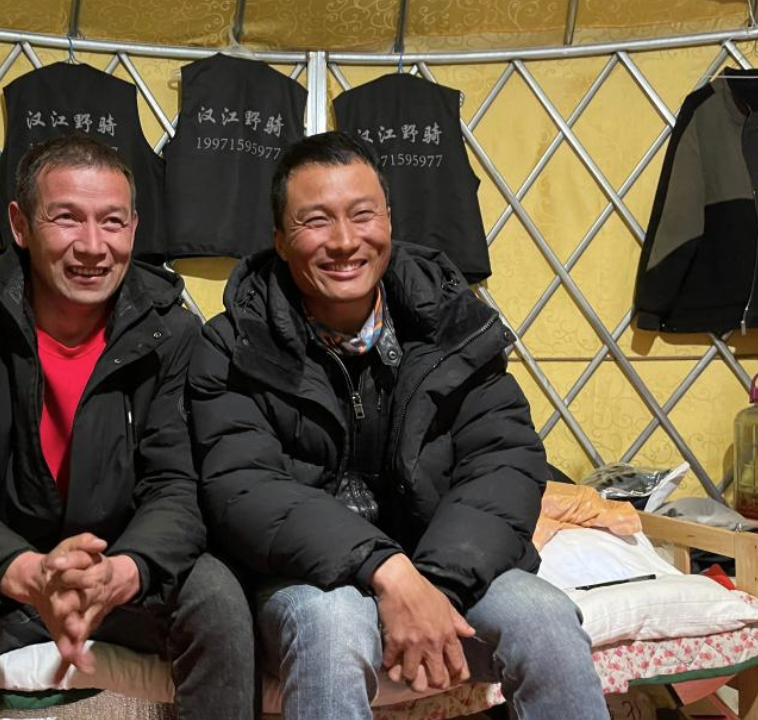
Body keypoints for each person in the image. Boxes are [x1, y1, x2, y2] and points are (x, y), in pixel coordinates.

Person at [187, 131, 608, 720]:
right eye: (315, 222)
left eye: (363, 215)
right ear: (280, 241)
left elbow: (504, 460)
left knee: (544, 618)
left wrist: (432, 587)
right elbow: (242, 488)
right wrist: (387, 573)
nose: (343, 242)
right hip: (311, 575)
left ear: (389, 218)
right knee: (331, 626)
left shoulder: (453, 325)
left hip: (447, 565)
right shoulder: (233, 345)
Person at [0, 134, 253, 720]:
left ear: (134, 229)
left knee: (219, 598)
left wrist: (126, 570)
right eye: (66, 218)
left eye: (112, 222)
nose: (92, 246)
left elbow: (178, 485)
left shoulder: (172, 333)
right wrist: (27, 573)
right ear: (20, 224)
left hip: (120, 573)